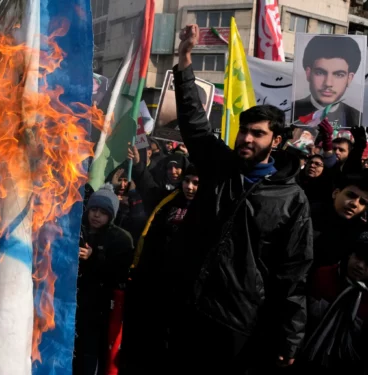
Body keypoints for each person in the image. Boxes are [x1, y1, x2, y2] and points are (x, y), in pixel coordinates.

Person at [166, 24, 313, 373]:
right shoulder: (220, 166)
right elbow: (194, 122)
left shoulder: (292, 200)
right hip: (188, 305)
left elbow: (293, 274)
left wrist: (290, 337)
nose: (246, 138)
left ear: (276, 142)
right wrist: (184, 60)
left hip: (238, 323)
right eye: (244, 130)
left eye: (257, 133)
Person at [121, 164, 199, 374]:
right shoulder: (169, 201)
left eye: (195, 183)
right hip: (158, 280)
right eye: (186, 181)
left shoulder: (209, 206)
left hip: (186, 287)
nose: (189, 187)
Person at [292, 228, 368, 374]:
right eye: (358, 257)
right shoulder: (322, 275)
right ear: (350, 254)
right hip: (300, 356)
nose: (360, 266)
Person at [74, 183, 134, 375]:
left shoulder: (121, 238)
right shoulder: (78, 230)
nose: (96, 215)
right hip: (75, 304)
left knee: (91, 356)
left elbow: (118, 273)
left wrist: (93, 258)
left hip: (100, 309)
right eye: (94, 210)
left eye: (102, 211)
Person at [293, 36, 362, 129]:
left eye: (339, 75)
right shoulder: (292, 111)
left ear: (349, 78)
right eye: (320, 73)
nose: (328, 83)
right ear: (308, 73)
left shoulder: (356, 117)